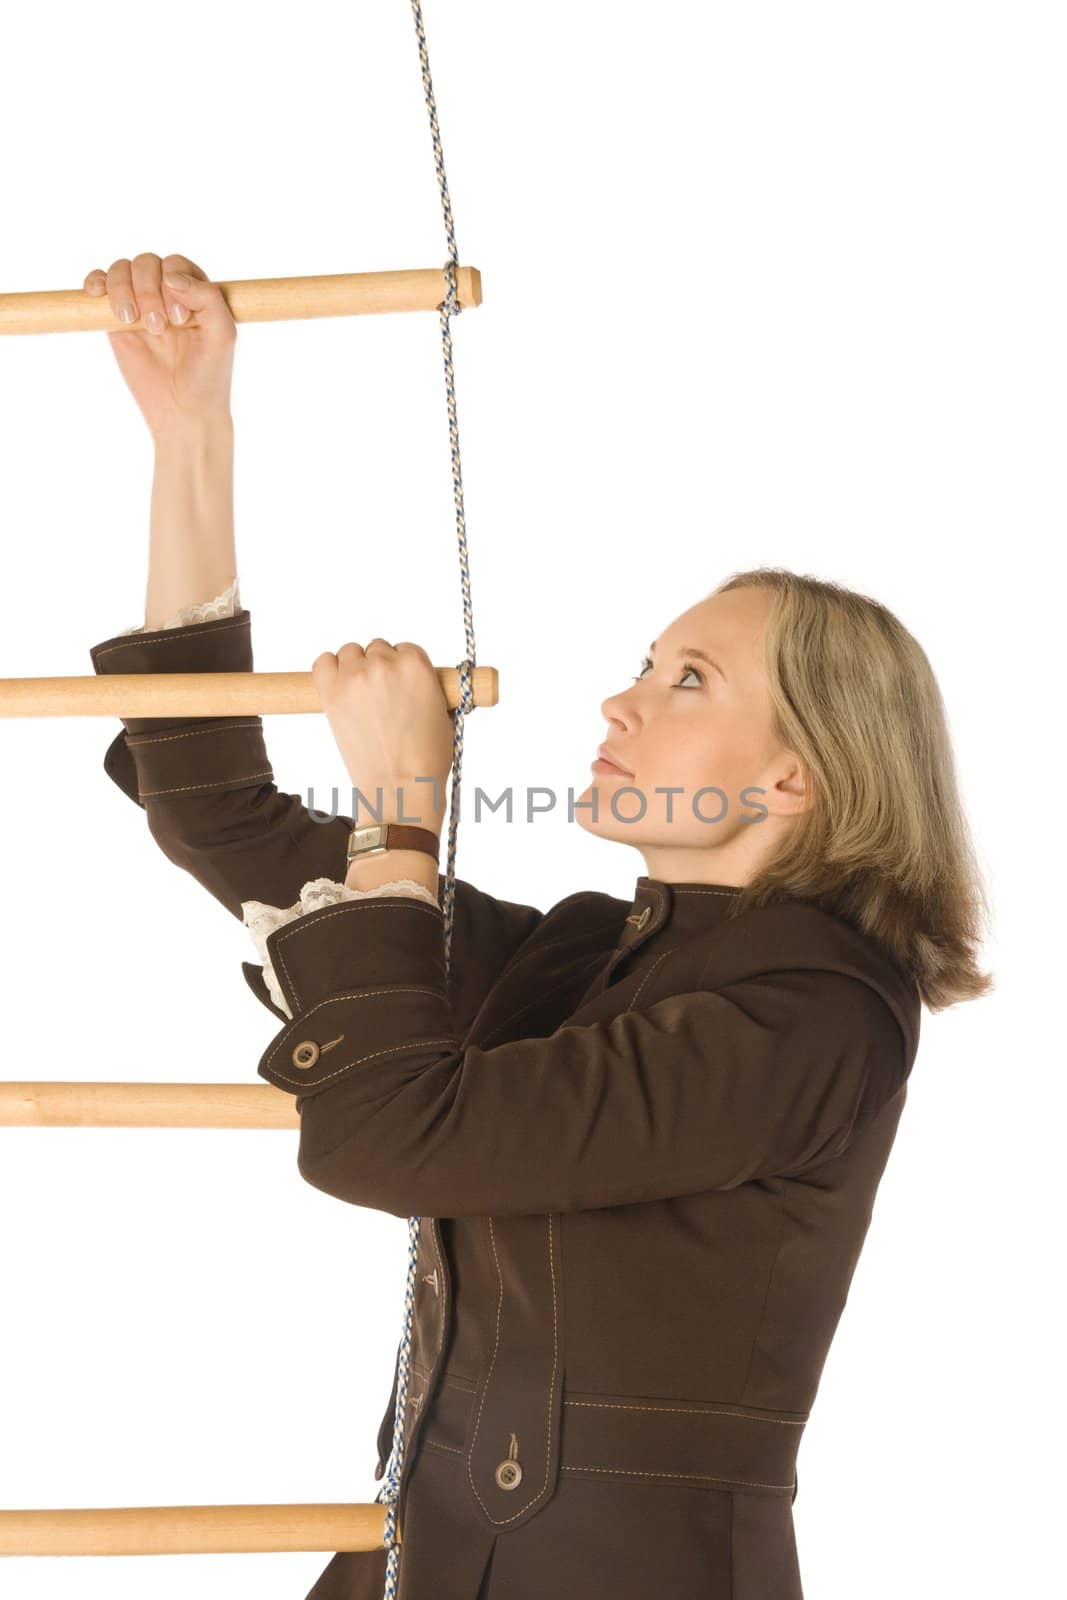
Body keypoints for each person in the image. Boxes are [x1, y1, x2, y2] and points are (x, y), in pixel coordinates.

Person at [85, 252, 993, 1600]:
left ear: (797, 776)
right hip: (427, 1562)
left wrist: (402, 811)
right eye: (641, 665)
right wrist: (189, 434)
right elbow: (220, 819)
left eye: (689, 677)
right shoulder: (584, 958)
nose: (623, 704)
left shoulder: (812, 1022)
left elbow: (393, 1132)